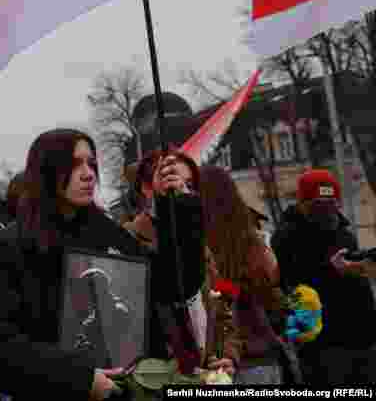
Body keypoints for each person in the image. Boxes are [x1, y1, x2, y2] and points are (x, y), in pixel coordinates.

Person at [0, 129, 206, 401]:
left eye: (91, 163)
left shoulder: (109, 235)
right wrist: (78, 378)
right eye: (74, 164)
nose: (88, 173)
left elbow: (174, 285)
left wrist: (177, 207)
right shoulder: (4, 249)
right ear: (46, 171)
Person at [123, 151, 237, 377]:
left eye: (189, 185)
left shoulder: (199, 246)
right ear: (147, 189)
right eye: (172, 182)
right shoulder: (128, 240)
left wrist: (228, 355)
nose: (183, 191)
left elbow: (224, 305)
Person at [270, 169, 376, 386]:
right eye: (319, 204)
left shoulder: (343, 232)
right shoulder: (287, 237)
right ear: (303, 203)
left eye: (332, 203)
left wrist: (361, 268)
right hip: (322, 344)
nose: (328, 210)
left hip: (362, 337)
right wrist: (332, 271)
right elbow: (292, 286)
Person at [198, 166, 290, 384]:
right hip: (263, 358)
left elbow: (223, 293)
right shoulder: (254, 243)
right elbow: (274, 297)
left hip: (227, 364)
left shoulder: (201, 246)